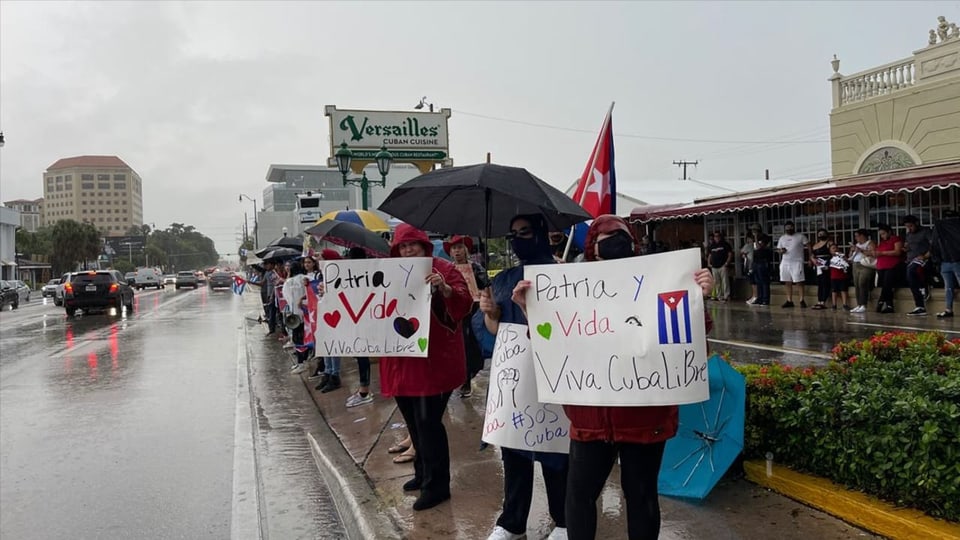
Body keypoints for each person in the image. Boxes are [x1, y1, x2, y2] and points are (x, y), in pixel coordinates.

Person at [511, 215, 714, 540]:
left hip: (645, 416)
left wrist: (698, 300)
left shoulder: (661, 283)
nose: (612, 246)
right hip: (591, 418)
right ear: (592, 250)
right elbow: (555, 346)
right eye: (604, 241)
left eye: (618, 238)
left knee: (642, 495)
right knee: (579, 496)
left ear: (633, 244)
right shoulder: (575, 289)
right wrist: (530, 309)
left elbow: (690, 343)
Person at [475, 214, 568, 540]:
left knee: (557, 453)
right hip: (515, 382)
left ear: (541, 233)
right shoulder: (504, 279)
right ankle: (512, 521)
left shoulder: (565, 277)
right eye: (512, 234)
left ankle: (565, 519)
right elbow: (494, 336)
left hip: (556, 379)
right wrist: (491, 314)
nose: (518, 239)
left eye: (525, 232)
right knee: (514, 452)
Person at [380, 224, 472, 511]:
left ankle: (437, 486)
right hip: (400, 362)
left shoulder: (443, 267)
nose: (407, 250)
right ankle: (422, 475)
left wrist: (443, 289)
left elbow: (464, 302)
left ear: (424, 246)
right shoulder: (389, 271)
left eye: (412, 245)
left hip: (432, 364)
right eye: (402, 247)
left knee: (427, 424)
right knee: (413, 423)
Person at [443, 235, 490, 398]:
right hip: (457, 310)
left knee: (475, 343)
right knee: (462, 343)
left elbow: (486, 286)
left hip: (476, 310)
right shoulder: (448, 269)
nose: (457, 251)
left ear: (466, 250)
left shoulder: (476, 268)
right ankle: (465, 379)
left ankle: (471, 372)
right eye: (454, 248)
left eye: (460, 247)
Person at [344, 247, 375, 407]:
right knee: (360, 355)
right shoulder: (367, 272)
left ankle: (365, 391)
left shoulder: (355, 274)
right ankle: (364, 389)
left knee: (362, 355)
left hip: (362, 319)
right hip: (362, 317)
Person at [931, 209, 960, 319]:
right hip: (955, 260)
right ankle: (948, 309)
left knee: (948, 287)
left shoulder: (939, 227)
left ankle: (948, 309)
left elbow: (934, 244)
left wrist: (936, 260)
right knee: (948, 287)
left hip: (945, 260)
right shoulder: (955, 227)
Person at [903, 215, 933, 316]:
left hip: (923, 258)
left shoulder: (926, 231)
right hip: (911, 259)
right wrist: (906, 249)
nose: (909, 229)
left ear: (916, 223)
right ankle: (919, 304)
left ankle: (922, 293)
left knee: (911, 272)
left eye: (911, 226)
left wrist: (925, 256)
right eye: (907, 227)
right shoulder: (908, 234)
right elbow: (907, 246)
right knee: (909, 276)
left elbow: (933, 245)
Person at [776, 221, 808, 308]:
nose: (789, 229)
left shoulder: (800, 236)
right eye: (787, 228)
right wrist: (781, 251)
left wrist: (810, 257)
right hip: (785, 262)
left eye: (790, 227)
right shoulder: (782, 238)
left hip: (797, 261)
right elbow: (778, 249)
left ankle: (801, 300)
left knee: (799, 281)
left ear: (793, 227)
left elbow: (808, 245)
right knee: (787, 281)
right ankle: (789, 300)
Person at [874, 224, 904, 314]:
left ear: (889, 232)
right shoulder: (882, 242)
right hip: (881, 266)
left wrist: (883, 253)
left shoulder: (896, 239)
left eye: (883, 234)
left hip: (892, 266)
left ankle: (884, 302)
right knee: (885, 285)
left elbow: (897, 251)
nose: (882, 236)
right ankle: (887, 304)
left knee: (887, 284)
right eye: (881, 235)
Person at [847, 229, 877, 313]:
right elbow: (850, 256)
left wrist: (860, 250)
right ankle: (859, 304)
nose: (856, 238)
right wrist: (852, 250)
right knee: (857, 285)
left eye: (857, 236)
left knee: (862, 283)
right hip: (855, 265)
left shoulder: (870, 243)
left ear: (863, 236)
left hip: (865, 265)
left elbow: (873, 253)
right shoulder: (856, 244)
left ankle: (864, 304)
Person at [809, 228, 832, 310]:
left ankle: (823, 301)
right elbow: (812, 255)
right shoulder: (815, 245)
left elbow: (833, 252)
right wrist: (813, 260)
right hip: (817, 265)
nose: (821, 235)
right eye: (820, 234)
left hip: (826, 264)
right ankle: (819, 300)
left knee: (825, 282)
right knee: (820, 283)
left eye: (823, 233)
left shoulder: (829, 243)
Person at [706, 231, 733, 301]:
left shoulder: (725, 244)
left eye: (718, 236)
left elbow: (730, 254)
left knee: (725, 281)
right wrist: (709, 263)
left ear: (720, 237)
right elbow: (710, 255)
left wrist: (727, 263)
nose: (716, 237)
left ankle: (726, 295)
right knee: (716, 282)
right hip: (714, 266)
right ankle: (719, 296)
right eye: (715, 236)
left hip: (722, 265)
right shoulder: (712, 245)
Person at [752, 234, 774, 306]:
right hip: (756, 263)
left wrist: (755, 237)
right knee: (758, 282)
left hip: (763, 264)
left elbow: (759, 247)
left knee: (764, 282)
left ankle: (765, 300)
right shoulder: (757, 246)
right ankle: (760, 298)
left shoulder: (766, 248)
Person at [828, 243, 850, 310]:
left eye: (836, 248)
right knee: (834, 291)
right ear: (830, 251)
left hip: (842, 276)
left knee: (843, 290)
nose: (835, 249)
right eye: (833, 248)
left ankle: (845, 304)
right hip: (834, 277)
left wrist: (843, 257)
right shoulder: (830, 258)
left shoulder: (842, 256)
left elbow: (848, 262)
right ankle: (834, 305)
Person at [741, 231, 757, 304]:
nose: (748, 240)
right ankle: (754, 296)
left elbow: (742, 251)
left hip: (751, 265)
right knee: (753, 282)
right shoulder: (754, 245)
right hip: (751, 264)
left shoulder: (749, 245)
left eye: (750, 238)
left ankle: (755, 296)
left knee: (753, 282)